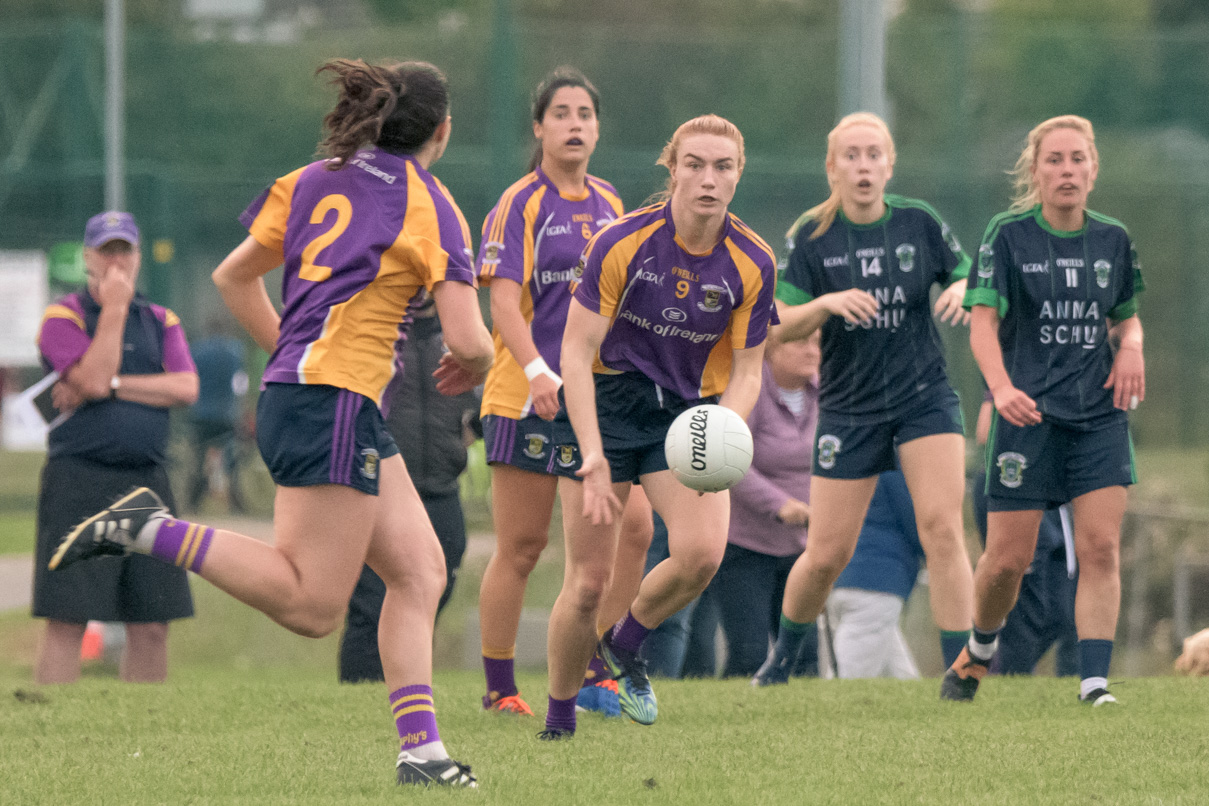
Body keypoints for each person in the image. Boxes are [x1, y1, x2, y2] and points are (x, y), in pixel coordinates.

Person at [49, 59, 492, 786]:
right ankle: (149, 528)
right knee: (313, 606)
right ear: (441, 131)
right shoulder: (430, 203)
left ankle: (422, 753)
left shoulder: (314, 177)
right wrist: (472, 367)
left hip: (321, 396)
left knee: (419, 570)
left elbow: (233, 276)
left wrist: (293, 354)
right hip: (333, 402)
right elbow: (469, 340)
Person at [542, 113, 778, 738]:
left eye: (722, 167)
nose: (708, 179)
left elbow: (750, 371)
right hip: (608, 405)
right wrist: (590, 451)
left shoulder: (753, 260)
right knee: (588, 581)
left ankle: (625, 644)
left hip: (687, 412)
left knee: (702, 555)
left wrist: (727, 424)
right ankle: (560, 719)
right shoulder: (622, 242)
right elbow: (574, 353)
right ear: (672, 170)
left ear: (738, 175)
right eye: (695, 165)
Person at [753, 112, 975, 690]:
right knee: (826, 554)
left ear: (889, 164)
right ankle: (782, 662)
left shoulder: (919, 223)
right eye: (850, 155)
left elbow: (968, 275)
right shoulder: (812, 235)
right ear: (832, 168)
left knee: (943, 529)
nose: (863, 166)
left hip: (924, 399)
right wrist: (827, 304)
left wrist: (958, 287)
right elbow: (779, 325)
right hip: (849, 409)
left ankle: (962, 671)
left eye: (874, 154)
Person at [474, 68, 652, 717]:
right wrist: (534, 369)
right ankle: (499, 689)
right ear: (539, 126)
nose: (575, 123)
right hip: (524, 397)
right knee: (521, 548)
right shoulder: (519, 202)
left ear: (598, 128)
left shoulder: (609, 203)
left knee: (633, 527)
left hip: (593, 402)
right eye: (562, 113)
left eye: (585, 113)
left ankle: (594, 668)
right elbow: (502, 303)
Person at [950, 114, 1144, 707]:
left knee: (1101, 549)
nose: (1067, 170)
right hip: (1026, 418)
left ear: (1092, 168)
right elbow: (982, 322)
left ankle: (1093, 684)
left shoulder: (1113, 238)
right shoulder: (1007, 234)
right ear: (1035, 171)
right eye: (1055, 160)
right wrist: (1001, 389)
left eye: (1077, 159)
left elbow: (1126, 316)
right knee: (1008, 561)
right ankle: (981, 648)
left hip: (1098, 417)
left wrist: (1132, 346)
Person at [31, 210, 199, 685]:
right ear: (88, 258)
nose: (117, 261)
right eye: (107, 252)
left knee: (152, 621)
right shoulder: (63, 316)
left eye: (125, 250)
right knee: (68, 615)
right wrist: (115, 311)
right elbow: (94, 377)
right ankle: (53, 724)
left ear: (139, 256)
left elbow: (186, 387)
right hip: (80, 477)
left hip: (147, 477)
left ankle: (143, 726)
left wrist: (116, 382)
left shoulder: (162, 319)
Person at [338, 295, 480, 683]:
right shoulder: (375, 330)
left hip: (441, 486)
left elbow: (480, 401)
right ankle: (361, 695)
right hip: (380, 489)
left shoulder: (458, 338)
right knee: (371, 603)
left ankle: (409, 682)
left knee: (435, 587)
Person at [713, 332, 821, 679]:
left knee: (805, 656)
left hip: (803, 548)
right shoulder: (750, 390)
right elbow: (728, 459)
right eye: (800, 341)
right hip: (746, 546)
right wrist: (779, 504)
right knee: (749, 653)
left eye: (817, 341)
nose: (811, 350)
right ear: (771, 349)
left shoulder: (827, 393)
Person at [970, 395, 1078, 676]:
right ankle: (988, 669)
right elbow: (985, 431)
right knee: (1024, 603)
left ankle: (1001, 671)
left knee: (1060, 613)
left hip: (1054, 496)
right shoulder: (1016, 360)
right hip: (1015, 482)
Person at [820, 469, 925, 680]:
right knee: (844, 687)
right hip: (876, 586)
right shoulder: (896, 465)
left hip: (847, 580)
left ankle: (937, 711)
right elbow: (920, 523)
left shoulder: (862, 458)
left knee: (903, 677)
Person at [185, 315, 249, 513]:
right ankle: (235, 503)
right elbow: (240, 384)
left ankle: (193, 503)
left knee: (198, 460)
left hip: (201, 413)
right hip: (226, 414)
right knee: (231, 462)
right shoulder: (235, 351)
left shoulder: (197, 351)